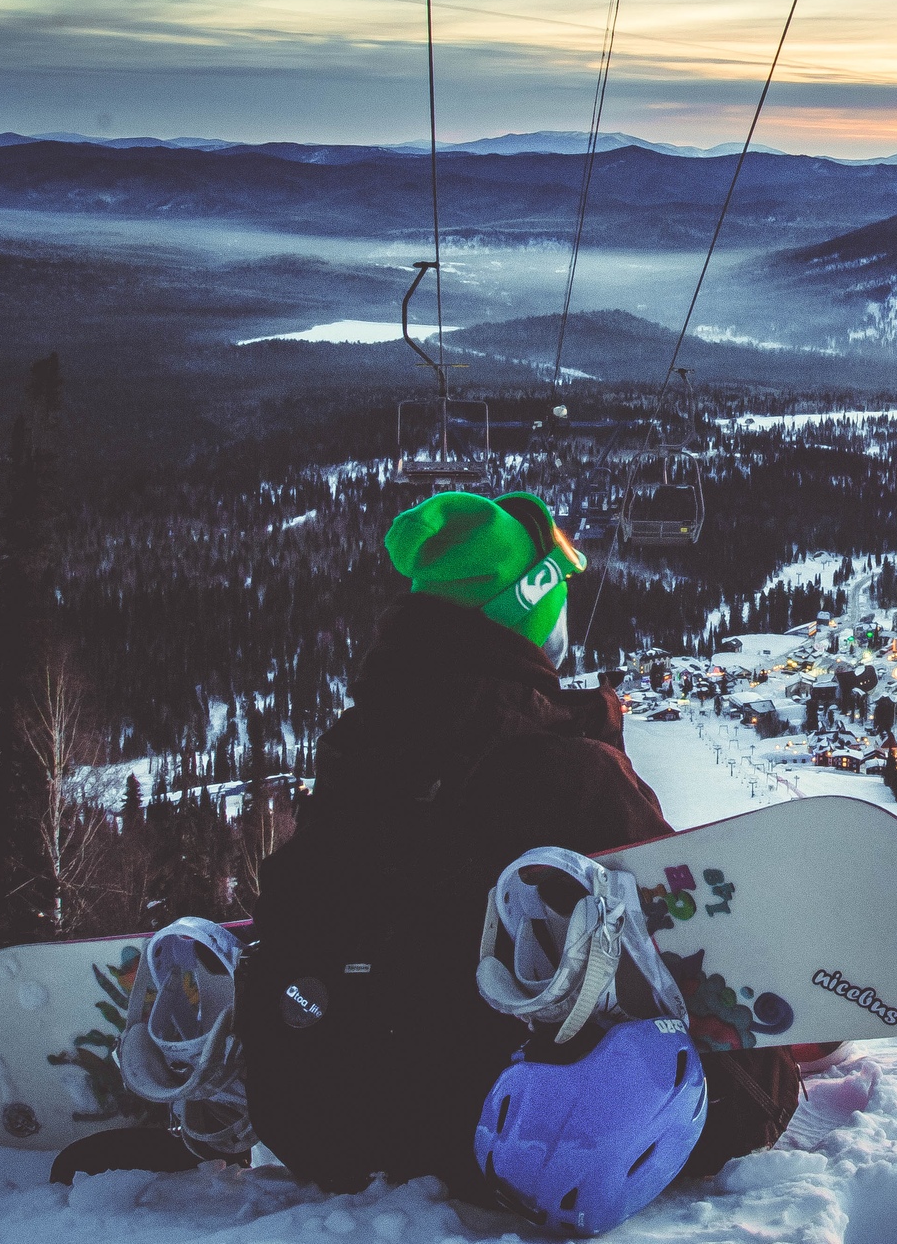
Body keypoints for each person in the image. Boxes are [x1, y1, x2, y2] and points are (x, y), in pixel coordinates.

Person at [231, 489, 800, 1205]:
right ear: (526, 614)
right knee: (736, 1082)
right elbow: (677, 943)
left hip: (327, 1124)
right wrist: (767, 1078)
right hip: (489, 1130)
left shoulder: (358, 748)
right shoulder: (570, 770)